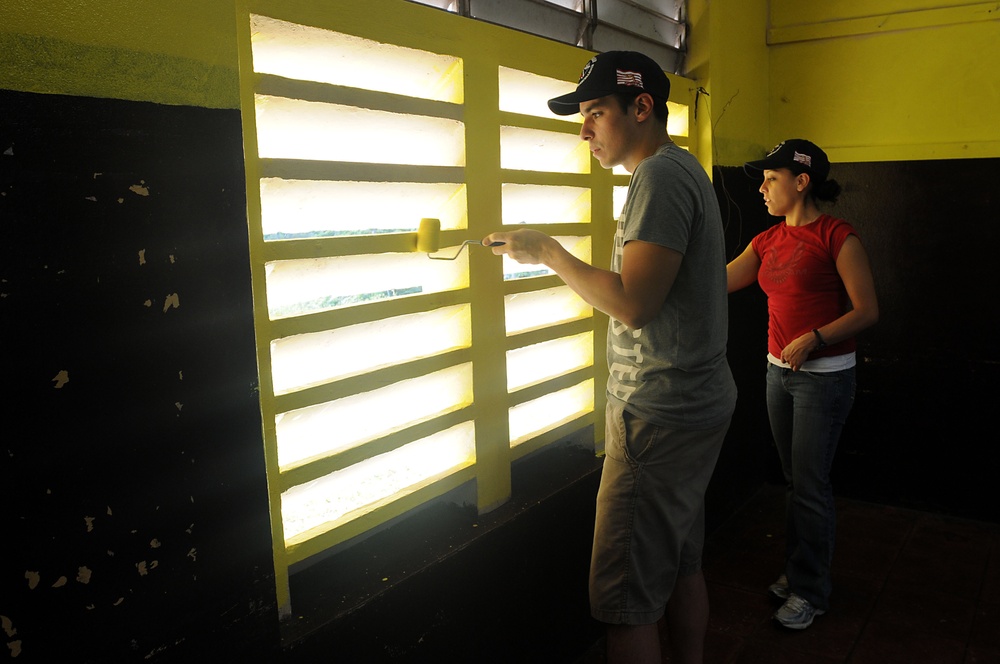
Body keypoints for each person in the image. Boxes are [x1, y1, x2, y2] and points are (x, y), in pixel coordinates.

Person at [484, 51, 736, 664]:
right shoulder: (686, 169)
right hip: (696, 405)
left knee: (624, 599)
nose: (584, 130)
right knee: (680, 563)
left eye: (596, 112)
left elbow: (633, 303)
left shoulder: (658, 178)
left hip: (658, 416)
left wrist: (547, 250)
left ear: (642, 107)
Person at [728, 139, 879, 629]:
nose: (762, 188)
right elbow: (718, 280)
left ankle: (810, 590)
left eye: (771, 179)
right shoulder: (767, 240)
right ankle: (797, 573)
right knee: (796, 481)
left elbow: (867, 311)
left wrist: (815, 338)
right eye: (763, 179)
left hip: (824, 381)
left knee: (810, 485)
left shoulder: (837, 235)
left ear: (802, 181)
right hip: (778, 374)